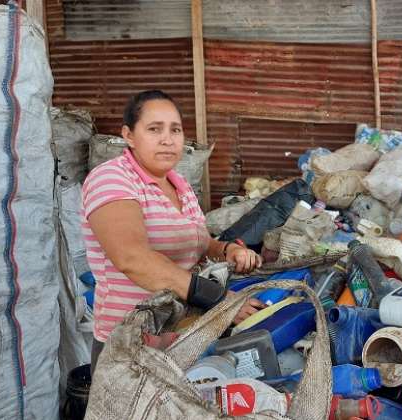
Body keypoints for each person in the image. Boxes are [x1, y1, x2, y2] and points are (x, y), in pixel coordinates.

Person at [82, 90, 265, 373]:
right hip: (130, 347)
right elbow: (132, 258)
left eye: (175, 130)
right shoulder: (112, 178)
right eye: (154, 129)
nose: (168, 139)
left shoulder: (179, 184)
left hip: (180, 337)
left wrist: (228, 250)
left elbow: (199, 241)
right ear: (128, 135)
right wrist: (217, 300)